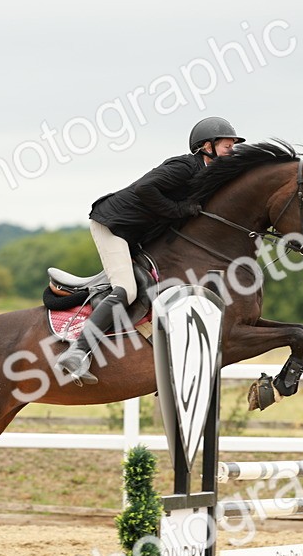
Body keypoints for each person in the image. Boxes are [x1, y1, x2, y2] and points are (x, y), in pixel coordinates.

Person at [56, 116, 246, 385]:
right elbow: (146, 189)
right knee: (127, 290)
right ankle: (76, 352)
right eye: (228, 146)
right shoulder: (183, 167)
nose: (232, 151)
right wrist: (180, 210)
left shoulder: (207, 174)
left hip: (137, 234)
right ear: (207, 146)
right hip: (113, 226)